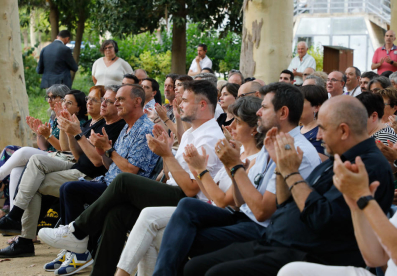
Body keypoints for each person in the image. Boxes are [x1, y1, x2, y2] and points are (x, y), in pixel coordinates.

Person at [183, 95, 394, 276]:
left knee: (215, 273)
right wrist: (281, 168)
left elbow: (321, 219)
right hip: (277, 240)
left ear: (344, 131)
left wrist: (291, 172)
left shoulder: (367, 166)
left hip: (309, 255)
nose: (318, 136)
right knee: (194, 266)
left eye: (322, 129)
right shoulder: (337, 159)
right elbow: (287, 204)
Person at [38, 80, 225, 276]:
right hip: (173, 191)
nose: (180, 104)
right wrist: (165, 153)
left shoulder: (209, 138)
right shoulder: (192, 133)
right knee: (117, 214)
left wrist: (167, 155)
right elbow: (170, 176)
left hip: (191, 203)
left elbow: (191, 190)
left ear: (202, 105)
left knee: (123, 181)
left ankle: (77, 231)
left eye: (185, 100)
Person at [152, 82, 321, 276]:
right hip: (242, 216)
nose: (259, 112)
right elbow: (240, 202)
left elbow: (261, 213)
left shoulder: (296, 150)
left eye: (264, 108)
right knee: (188, 207)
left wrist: (231, 167)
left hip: (263, 229)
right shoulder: (272, 142)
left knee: (185, 246)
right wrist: (234, 168)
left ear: (283, 113)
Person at [113, 97, 263, 276]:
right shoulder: (237, 152)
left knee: (131, 188)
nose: (229, 126)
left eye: (237, 122)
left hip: (225, 216)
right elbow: (207, 192)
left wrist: (199, 170)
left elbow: (224, 202)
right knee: (142, 216)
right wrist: (192, 167)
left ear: (254, 129)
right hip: (210, 207)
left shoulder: (253, 159)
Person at [0, 85, 125, 257]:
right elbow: (76, 155)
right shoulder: (94, 123)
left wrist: (77, 134)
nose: (101, 104)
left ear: (118, 105)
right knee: (34, 163)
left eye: (106, 101)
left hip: (89, 176)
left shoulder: (117, 127)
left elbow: (96, 162)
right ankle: (19, 229)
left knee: (32, 176)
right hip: (76, 166)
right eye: (96, 100)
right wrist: (70, 132)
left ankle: (19, 227)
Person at [42, 84, 159, 276]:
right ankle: (76, 247)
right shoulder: (128, 127)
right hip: (109, 182)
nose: (116, 103)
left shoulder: (145, 128)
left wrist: (109, 151)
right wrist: (103, 151)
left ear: (137, 101)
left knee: (72, 189)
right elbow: (110, 165)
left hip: (126, 191)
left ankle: (78, 246)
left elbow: (131, 171)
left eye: (120, 99)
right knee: (69, 188)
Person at [278, 153, 397, 276]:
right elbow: (374, 258)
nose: (319, 136)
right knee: (291, 271)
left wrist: (364, 199)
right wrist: (356, 207)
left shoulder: (375, 163)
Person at [0, 84, 72, 221]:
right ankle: (11, 216)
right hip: (48, 154)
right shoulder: (53, 117)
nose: (49, 100)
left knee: (17, 151)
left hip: (59, 158)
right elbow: (43, 147)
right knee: (15, 166)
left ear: (65, 99)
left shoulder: (69, 117)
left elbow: (63, 149)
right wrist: (39, 134)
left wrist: (48, 136)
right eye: (48, 97)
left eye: (54, 97)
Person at [299, 85, 328, 161]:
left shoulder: (321, 134)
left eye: (301, 102)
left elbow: (315, 165)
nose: (295, 106)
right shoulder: (297, 129)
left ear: (316, 107)